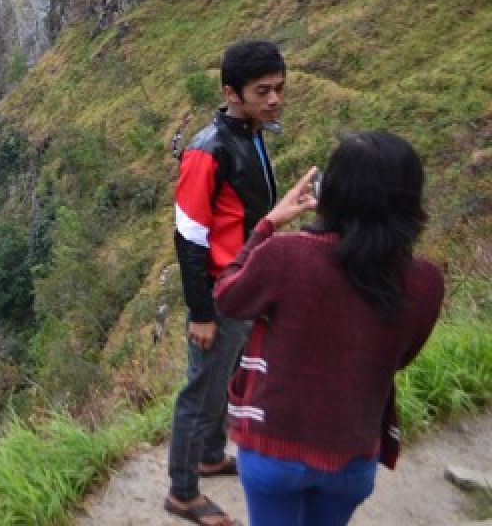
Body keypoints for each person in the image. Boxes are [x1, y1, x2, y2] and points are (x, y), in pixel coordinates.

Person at [214, 131, 444, 526]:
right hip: (351, 453)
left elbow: (227, 296)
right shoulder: (425, 281)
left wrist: (267, 224)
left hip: (274, 444)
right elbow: (400, 356)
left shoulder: (288, 256)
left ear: (332, 193)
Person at [166, 40, 286, 526]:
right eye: (264, 91)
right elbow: (189, 235)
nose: (275, 99)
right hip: (219, 291)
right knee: (202, 391)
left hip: (245, 283)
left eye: (280, 89)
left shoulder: (251, 132)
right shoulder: (207, 150)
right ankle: (182, 492)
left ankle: (211, 455)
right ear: (231, 93)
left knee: (224, 379)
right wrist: (200, 312)